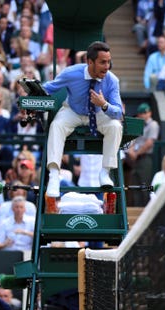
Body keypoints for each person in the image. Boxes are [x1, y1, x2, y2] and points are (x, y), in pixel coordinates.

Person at [42, 41, 123, 196]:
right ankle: (53, 176)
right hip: (72, 111)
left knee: (115, 126)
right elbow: (49, 88)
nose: (107, 66)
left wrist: (104, 104)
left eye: (108, 62)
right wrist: (30, 89)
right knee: (56, 126)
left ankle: (105, 172)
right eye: (102, 62)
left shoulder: (112, 80)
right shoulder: (71, 72)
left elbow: (118, 112)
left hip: (99, 113)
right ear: (90, 61)